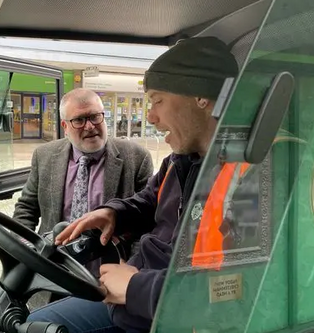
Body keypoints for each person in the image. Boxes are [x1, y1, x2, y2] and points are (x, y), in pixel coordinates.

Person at [26, 37, 240, 333]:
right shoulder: (178, 163)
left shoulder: (252, 176)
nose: (150, 117)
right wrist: (113, 213)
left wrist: (135, 286)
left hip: (161, 313)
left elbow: (232, 292)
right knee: (35, 322)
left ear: (200, 97)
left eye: (158, 101)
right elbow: (147, 201)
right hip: (135, 294)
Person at [12, 87, 154, 281]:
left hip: (108, 276)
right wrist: (25, 250)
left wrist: (131, 270)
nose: (89, 126)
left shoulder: (137, 158)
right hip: (52, 271)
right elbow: (26, 208)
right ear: (65, 126)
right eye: (79, 120)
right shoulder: (44, 156)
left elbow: (146, 224)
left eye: (95, 117)